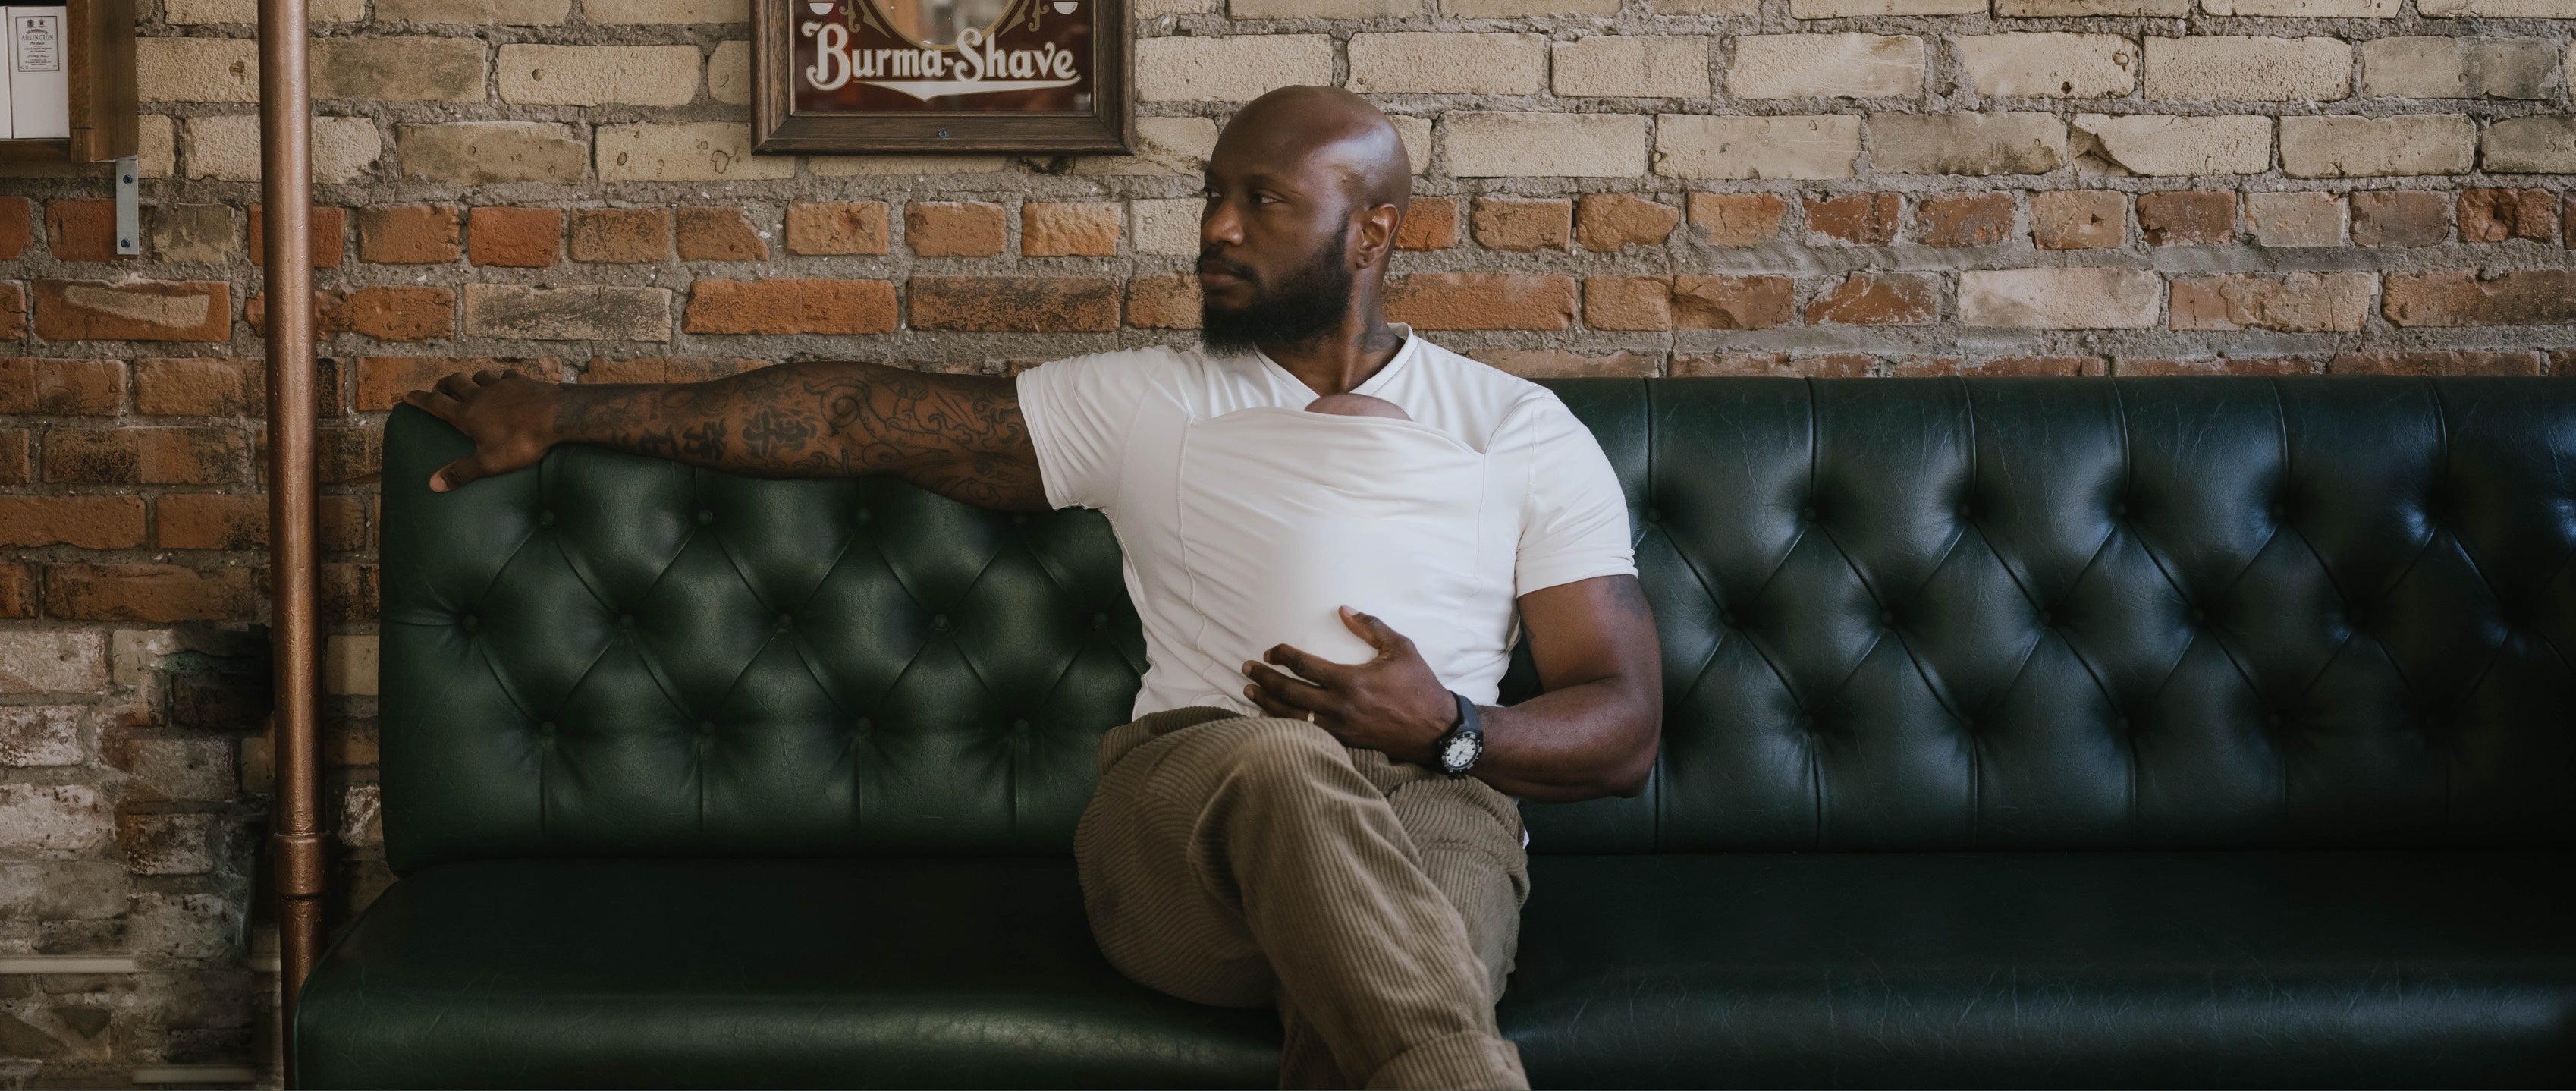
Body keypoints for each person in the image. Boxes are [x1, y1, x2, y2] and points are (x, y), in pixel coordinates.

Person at [401, 85, 1663, 1091]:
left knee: (1393, 969)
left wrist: (1449, 728)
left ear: (1371, 233)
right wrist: (565, 412)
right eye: (1212, 195)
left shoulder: (1515, 430)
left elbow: (1621, 724)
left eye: (1262, 201)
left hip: (1436, 799)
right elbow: (853, 416)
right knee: (1285, 766)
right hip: (1191, 813)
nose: (1216, 229)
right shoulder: (1149, 400)